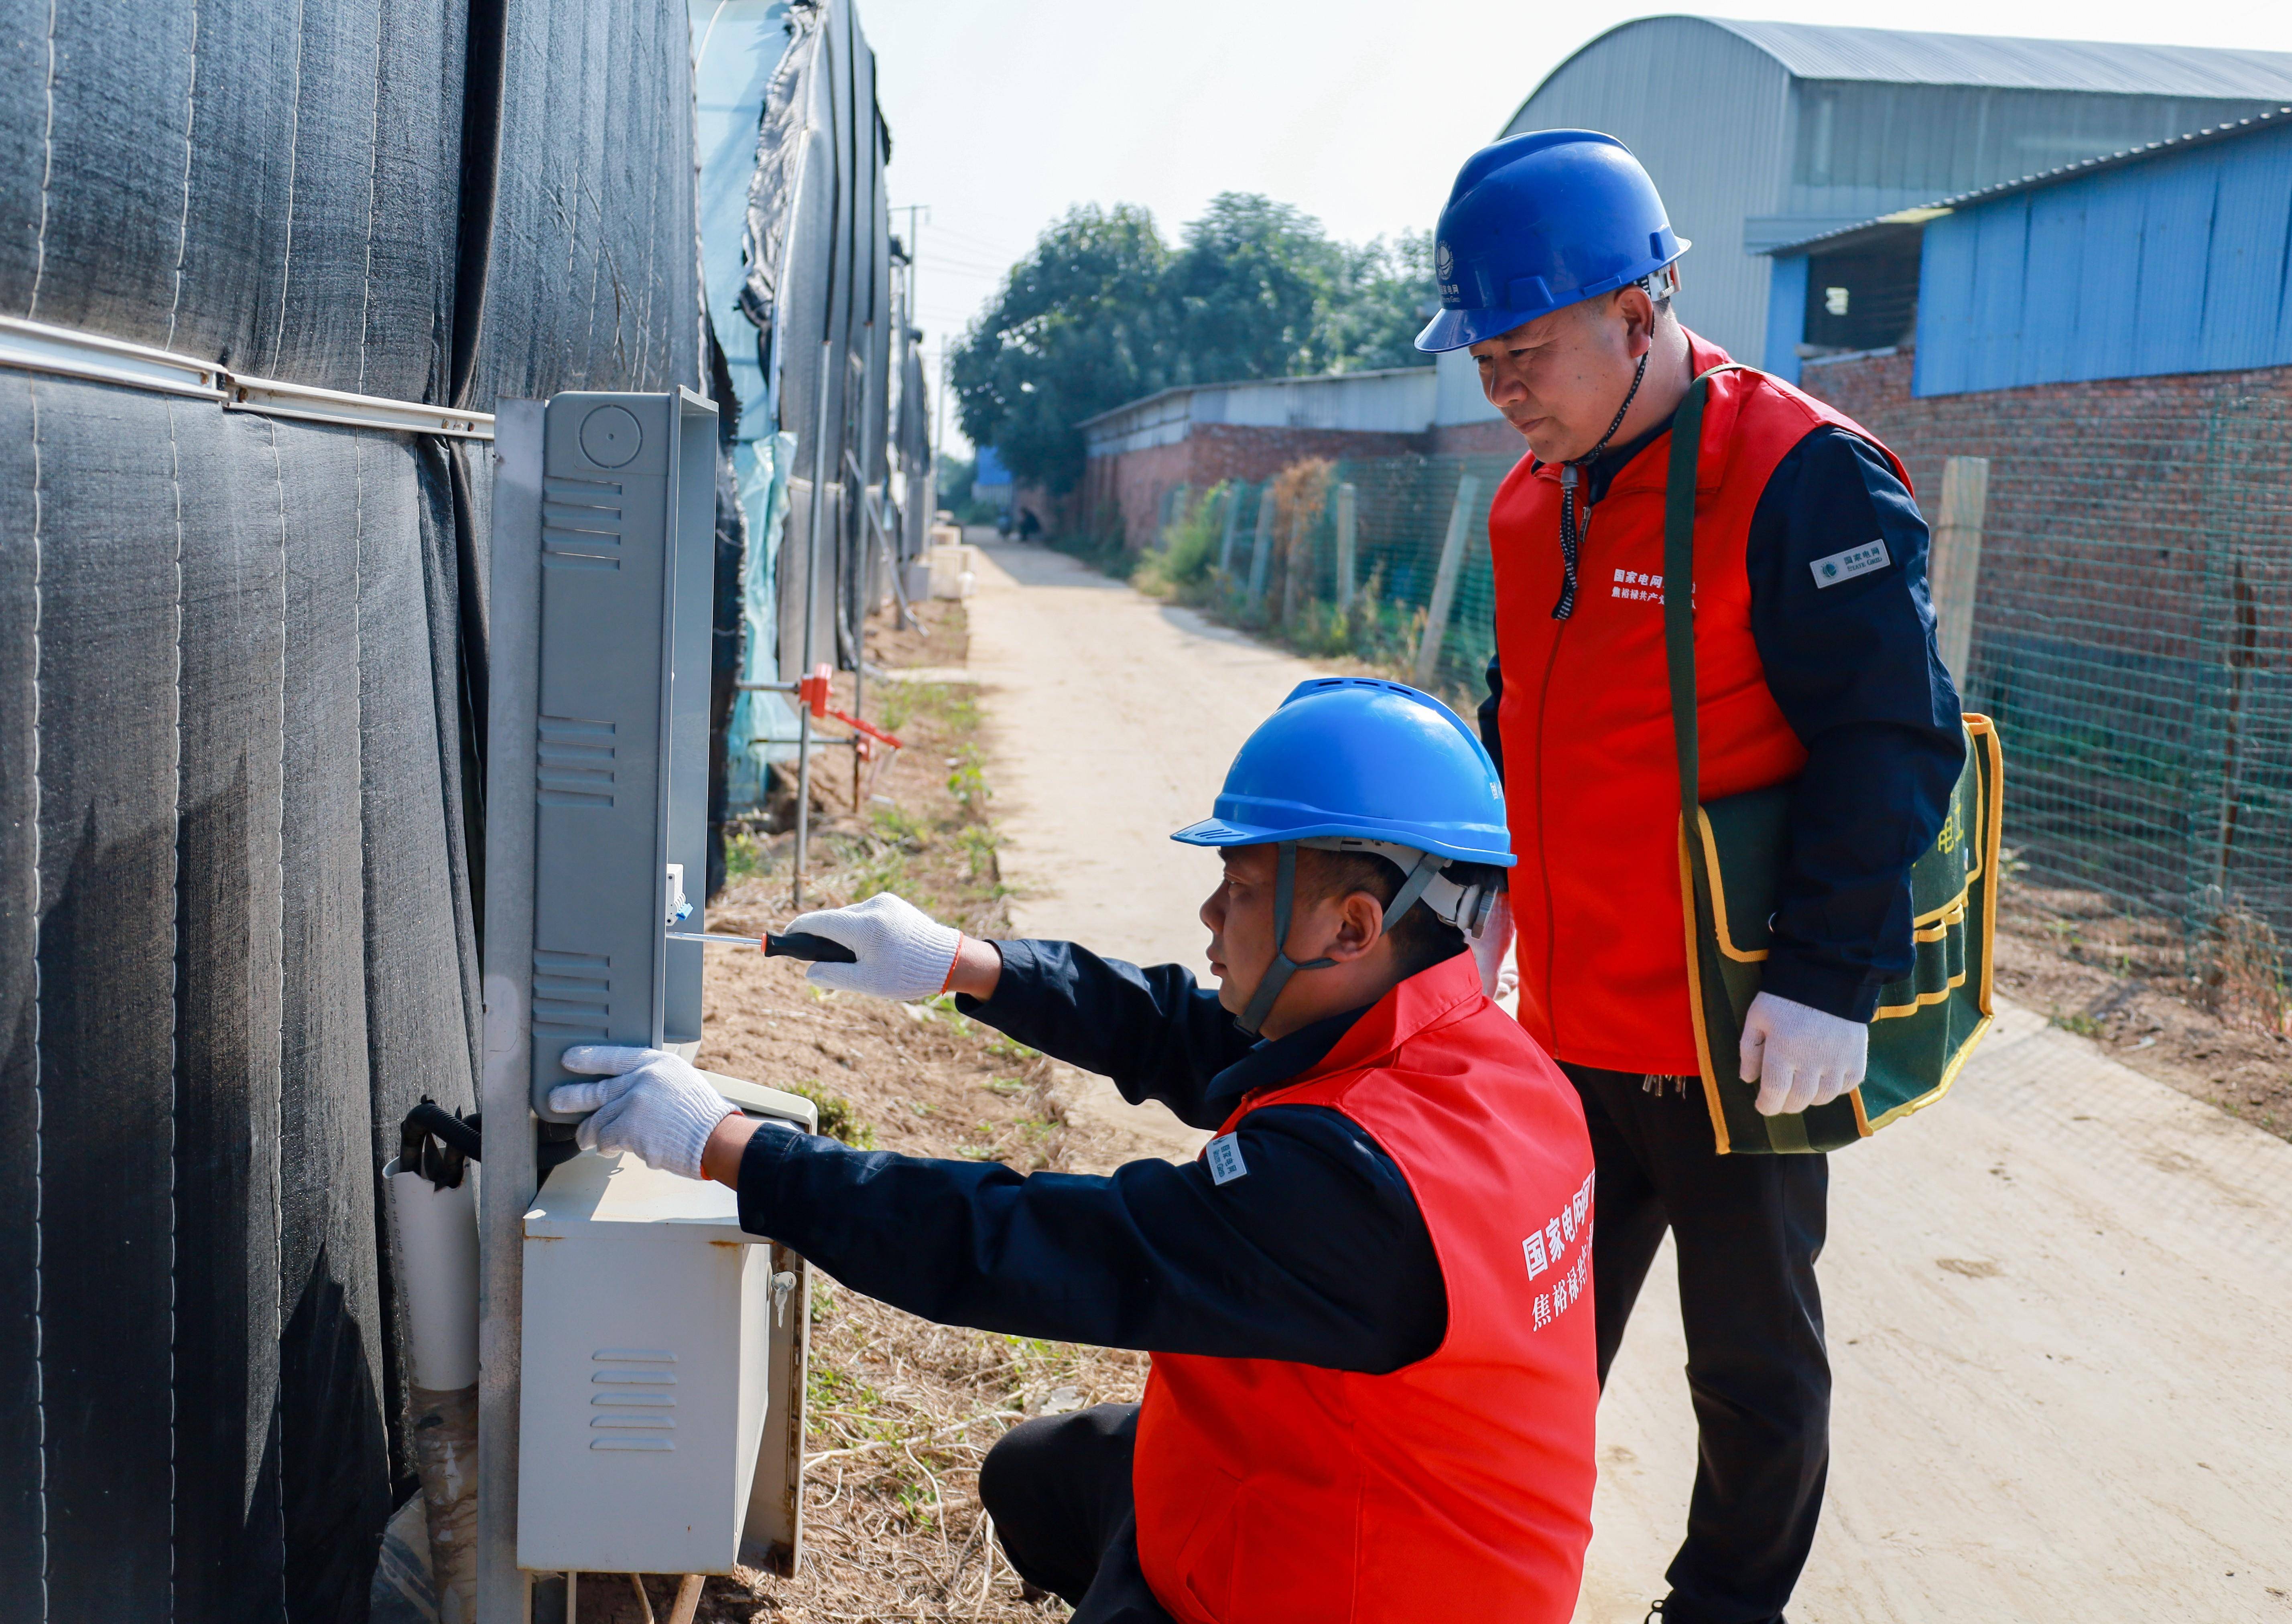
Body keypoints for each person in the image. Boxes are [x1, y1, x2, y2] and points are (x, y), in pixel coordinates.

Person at [547, 678, 1601, 1624]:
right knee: (1041, 1476)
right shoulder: (1477, 1061)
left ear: (1354, 927)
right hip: (1348, 1491)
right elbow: (1185, 1033)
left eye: (1237, 886)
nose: (1207, 912)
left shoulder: (1356, 1192)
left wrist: (729, 1147)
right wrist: (967, 965)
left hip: (1358, 1588)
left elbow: (1023, 1248)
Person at [1414, 132, 1965, 1624]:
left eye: (1526, 347)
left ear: (1641, 313)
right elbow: (1519, 712)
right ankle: (1473, 1581)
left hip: (1741, 1038)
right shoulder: (1541, 499)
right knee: (1523, 1349)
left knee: (1753, 1372)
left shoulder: (1801, 477)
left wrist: (1825, 978)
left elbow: (1892, 741)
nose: (1503, 386)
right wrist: (1485, 894)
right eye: (1483, 355)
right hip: (1570, 1034)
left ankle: (1724, 1610)